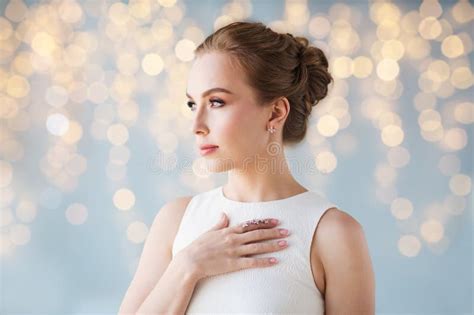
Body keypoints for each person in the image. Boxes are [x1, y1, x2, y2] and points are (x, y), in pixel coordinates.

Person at [118, 21, 375, 314]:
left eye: (216, 102)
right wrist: (188, 266)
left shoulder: (333, 234)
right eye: (192, 104)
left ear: (276, 112)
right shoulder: (176, 220)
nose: (196, 125)